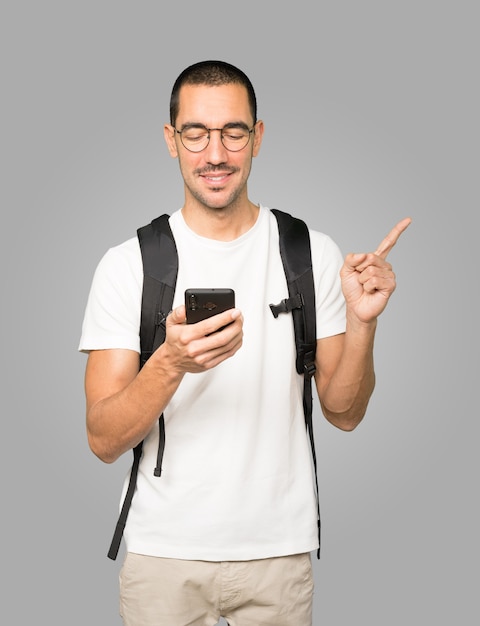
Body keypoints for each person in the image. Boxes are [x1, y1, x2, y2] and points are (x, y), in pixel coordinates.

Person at [79, 60, 411, 626]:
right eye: (196, 133)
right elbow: (104, 439)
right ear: (171, 140)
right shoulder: (127, 265)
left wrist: (363, 324)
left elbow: (345, 414)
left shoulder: (310, 253)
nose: (215, 154)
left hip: (279, 553)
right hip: (163, 554)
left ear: (257, 137)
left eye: (233, 132)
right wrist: (171, 362)